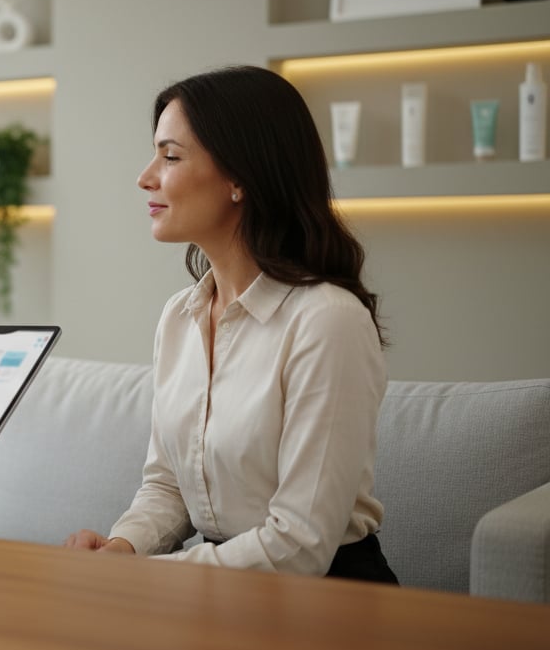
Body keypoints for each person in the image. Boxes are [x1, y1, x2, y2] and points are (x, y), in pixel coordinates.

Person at [64, 65, 398, 582]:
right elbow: (168, 485)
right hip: (212, 586)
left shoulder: (327, 321)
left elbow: (301, 545)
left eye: (170, 156)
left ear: (241, 176)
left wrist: (149, 579)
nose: (145, 176)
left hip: (323, 599)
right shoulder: (179, 316)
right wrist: (123, 549)